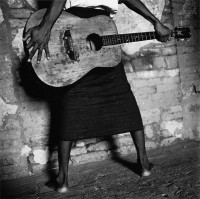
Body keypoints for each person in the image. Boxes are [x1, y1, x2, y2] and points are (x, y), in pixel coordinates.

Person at [23, 0, 171, 194]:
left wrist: (155, 22)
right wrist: (45, 27)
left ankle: (63, 179)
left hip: (104, 28)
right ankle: (142, 164)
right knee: (114, 98)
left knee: (82, 102)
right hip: (72, 27)